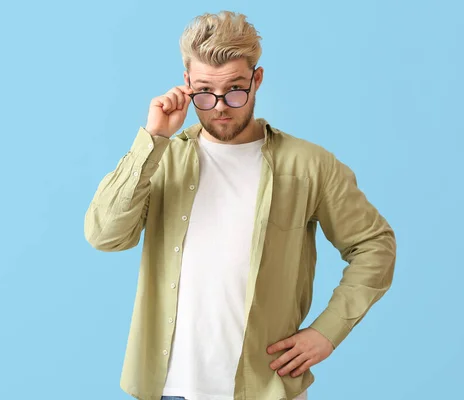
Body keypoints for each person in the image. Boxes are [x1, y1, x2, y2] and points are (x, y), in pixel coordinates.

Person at [84, 10, 396, 400]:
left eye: (235, 89)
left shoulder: (310, 165)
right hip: (169, 388)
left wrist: (327, 332)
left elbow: (374, 245)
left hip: (264, 389)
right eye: (204, 91)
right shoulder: (162, 159)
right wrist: (152, 138)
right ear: (186, 84)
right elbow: (104, 235)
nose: (219, 106)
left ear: (257, 79)